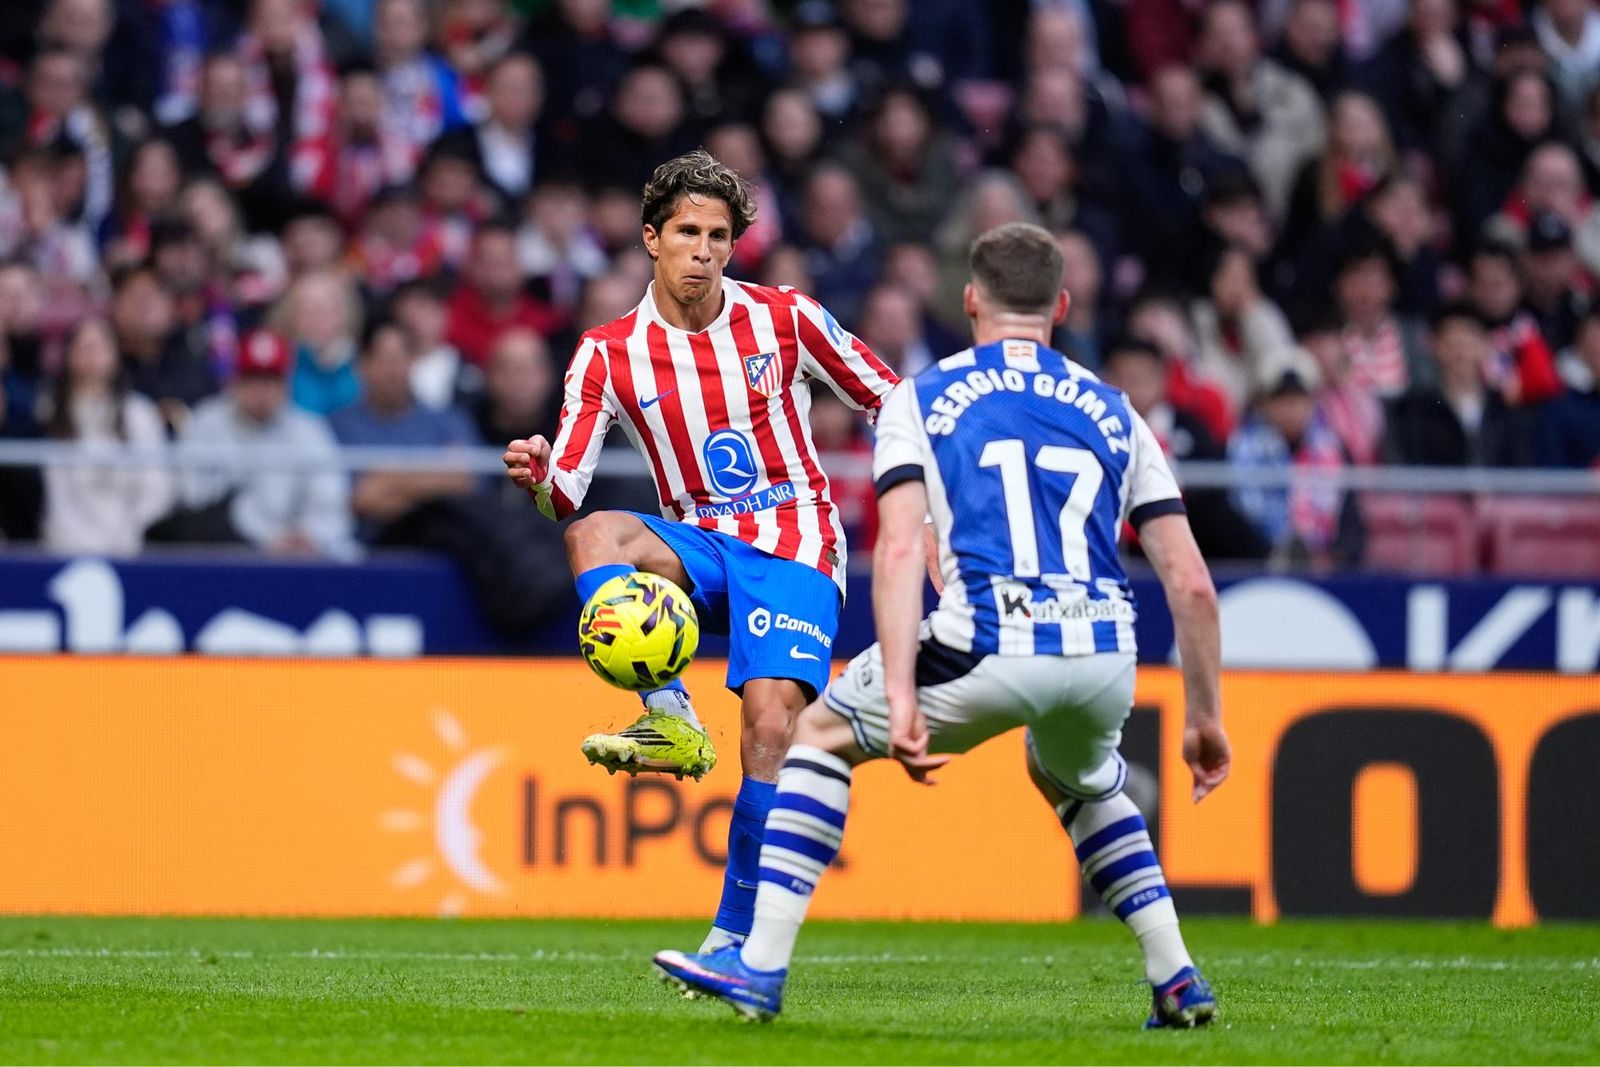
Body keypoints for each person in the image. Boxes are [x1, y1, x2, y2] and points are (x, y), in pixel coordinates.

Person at [652, 222, 1227, 1028]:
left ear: (969, 302)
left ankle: (759, 967)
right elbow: (1192, 583)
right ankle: (1176, 976)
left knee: (818, 736)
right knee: (1077, 778)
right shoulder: (1116, 408)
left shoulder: (921, 397)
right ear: (1060, 305)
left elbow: (895, 552)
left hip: (989, 633)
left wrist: (897, 688)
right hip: (1103, 651)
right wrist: (1205, 716)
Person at [502, 150, 898, 955]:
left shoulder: (786, 319)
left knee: (767, 726)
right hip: (705, 547)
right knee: (594, 534)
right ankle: (669, 713)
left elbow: (892, 398)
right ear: (652, 237)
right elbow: (566, 493)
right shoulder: (609, 353)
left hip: (795, 547)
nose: (705, 250)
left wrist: (916, 508)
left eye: (720, 235)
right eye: (688, 231)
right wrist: (541, 474)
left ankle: (733, 939)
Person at [166, 329, 356, 557]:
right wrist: (267, 538)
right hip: (228, 554)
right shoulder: (206, 424)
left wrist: (308, 535)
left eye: (271, 380)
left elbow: (331, 501)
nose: (262, 391)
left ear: (285, 384)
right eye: (253, 378)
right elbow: (192, 499)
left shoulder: (308, 429)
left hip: (301, 555)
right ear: (234, 381)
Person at [41, 318, 175, 555]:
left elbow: (157, 489)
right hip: (62, 547)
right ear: (69, 355)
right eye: (83, 347)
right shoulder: (47, 413)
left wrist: (126, 533)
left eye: (100, 347)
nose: (91, 356)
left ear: (115, 354)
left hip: (128, 545)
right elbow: (54, 495)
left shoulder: (140, 414)